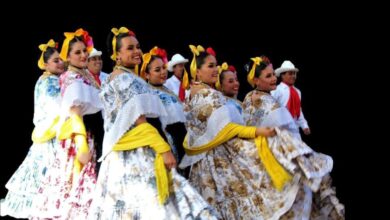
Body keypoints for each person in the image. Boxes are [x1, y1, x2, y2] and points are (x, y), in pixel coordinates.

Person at [89, 27, 217, 219]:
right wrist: (164, 149)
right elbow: (139, 121)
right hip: (137, 154)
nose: (136, 51)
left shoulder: (119, 78)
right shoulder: (125, 79)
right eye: (130, 48)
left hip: (121, 156)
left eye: (138, 47)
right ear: (116, 55)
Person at [179, 45, 319, 219]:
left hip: (201, 165)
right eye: (210, 66)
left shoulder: (190, 94)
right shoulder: (209, 95)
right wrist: (258, 131)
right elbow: (228, 129)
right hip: (217, 161)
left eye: (215, 65)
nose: (215, 69)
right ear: (196, 71)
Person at [242, 56, 345, 219]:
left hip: (276, 149)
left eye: (272, 74)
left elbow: (296, 113)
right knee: (296, 193)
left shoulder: (251, 97)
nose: (273, 78)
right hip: (275, 153)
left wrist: (303, 126)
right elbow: (274, 124)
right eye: (268, 76)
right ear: (255, 80)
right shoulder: (270, 99)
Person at [32, 28, 102, 219]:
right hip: (78, 134)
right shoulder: (71, 76)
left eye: (84, 51)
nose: (83, 55)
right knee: (75, 185)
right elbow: (75, 112)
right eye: (77, 52)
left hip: (90, 132)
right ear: (68, 57)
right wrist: (81, 145)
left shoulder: (84, 74)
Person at [0, 39, 64, 219]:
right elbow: (56, 105)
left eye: (61, 60)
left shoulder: (48, 79)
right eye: (56, 60)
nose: (61, 63)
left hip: (49, 132)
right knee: (44, 174)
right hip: (50, 134)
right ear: (45, 64)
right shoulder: (48, 82)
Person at [271, 60, 311, 137]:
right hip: (280, 130)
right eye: (290, 74)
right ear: (282, 75)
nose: (293, 76)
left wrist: (304, 125)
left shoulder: (297, 92)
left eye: (294, 74)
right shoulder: (276, 90)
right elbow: (271, 109)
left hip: (295, 129)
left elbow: (298, 110)